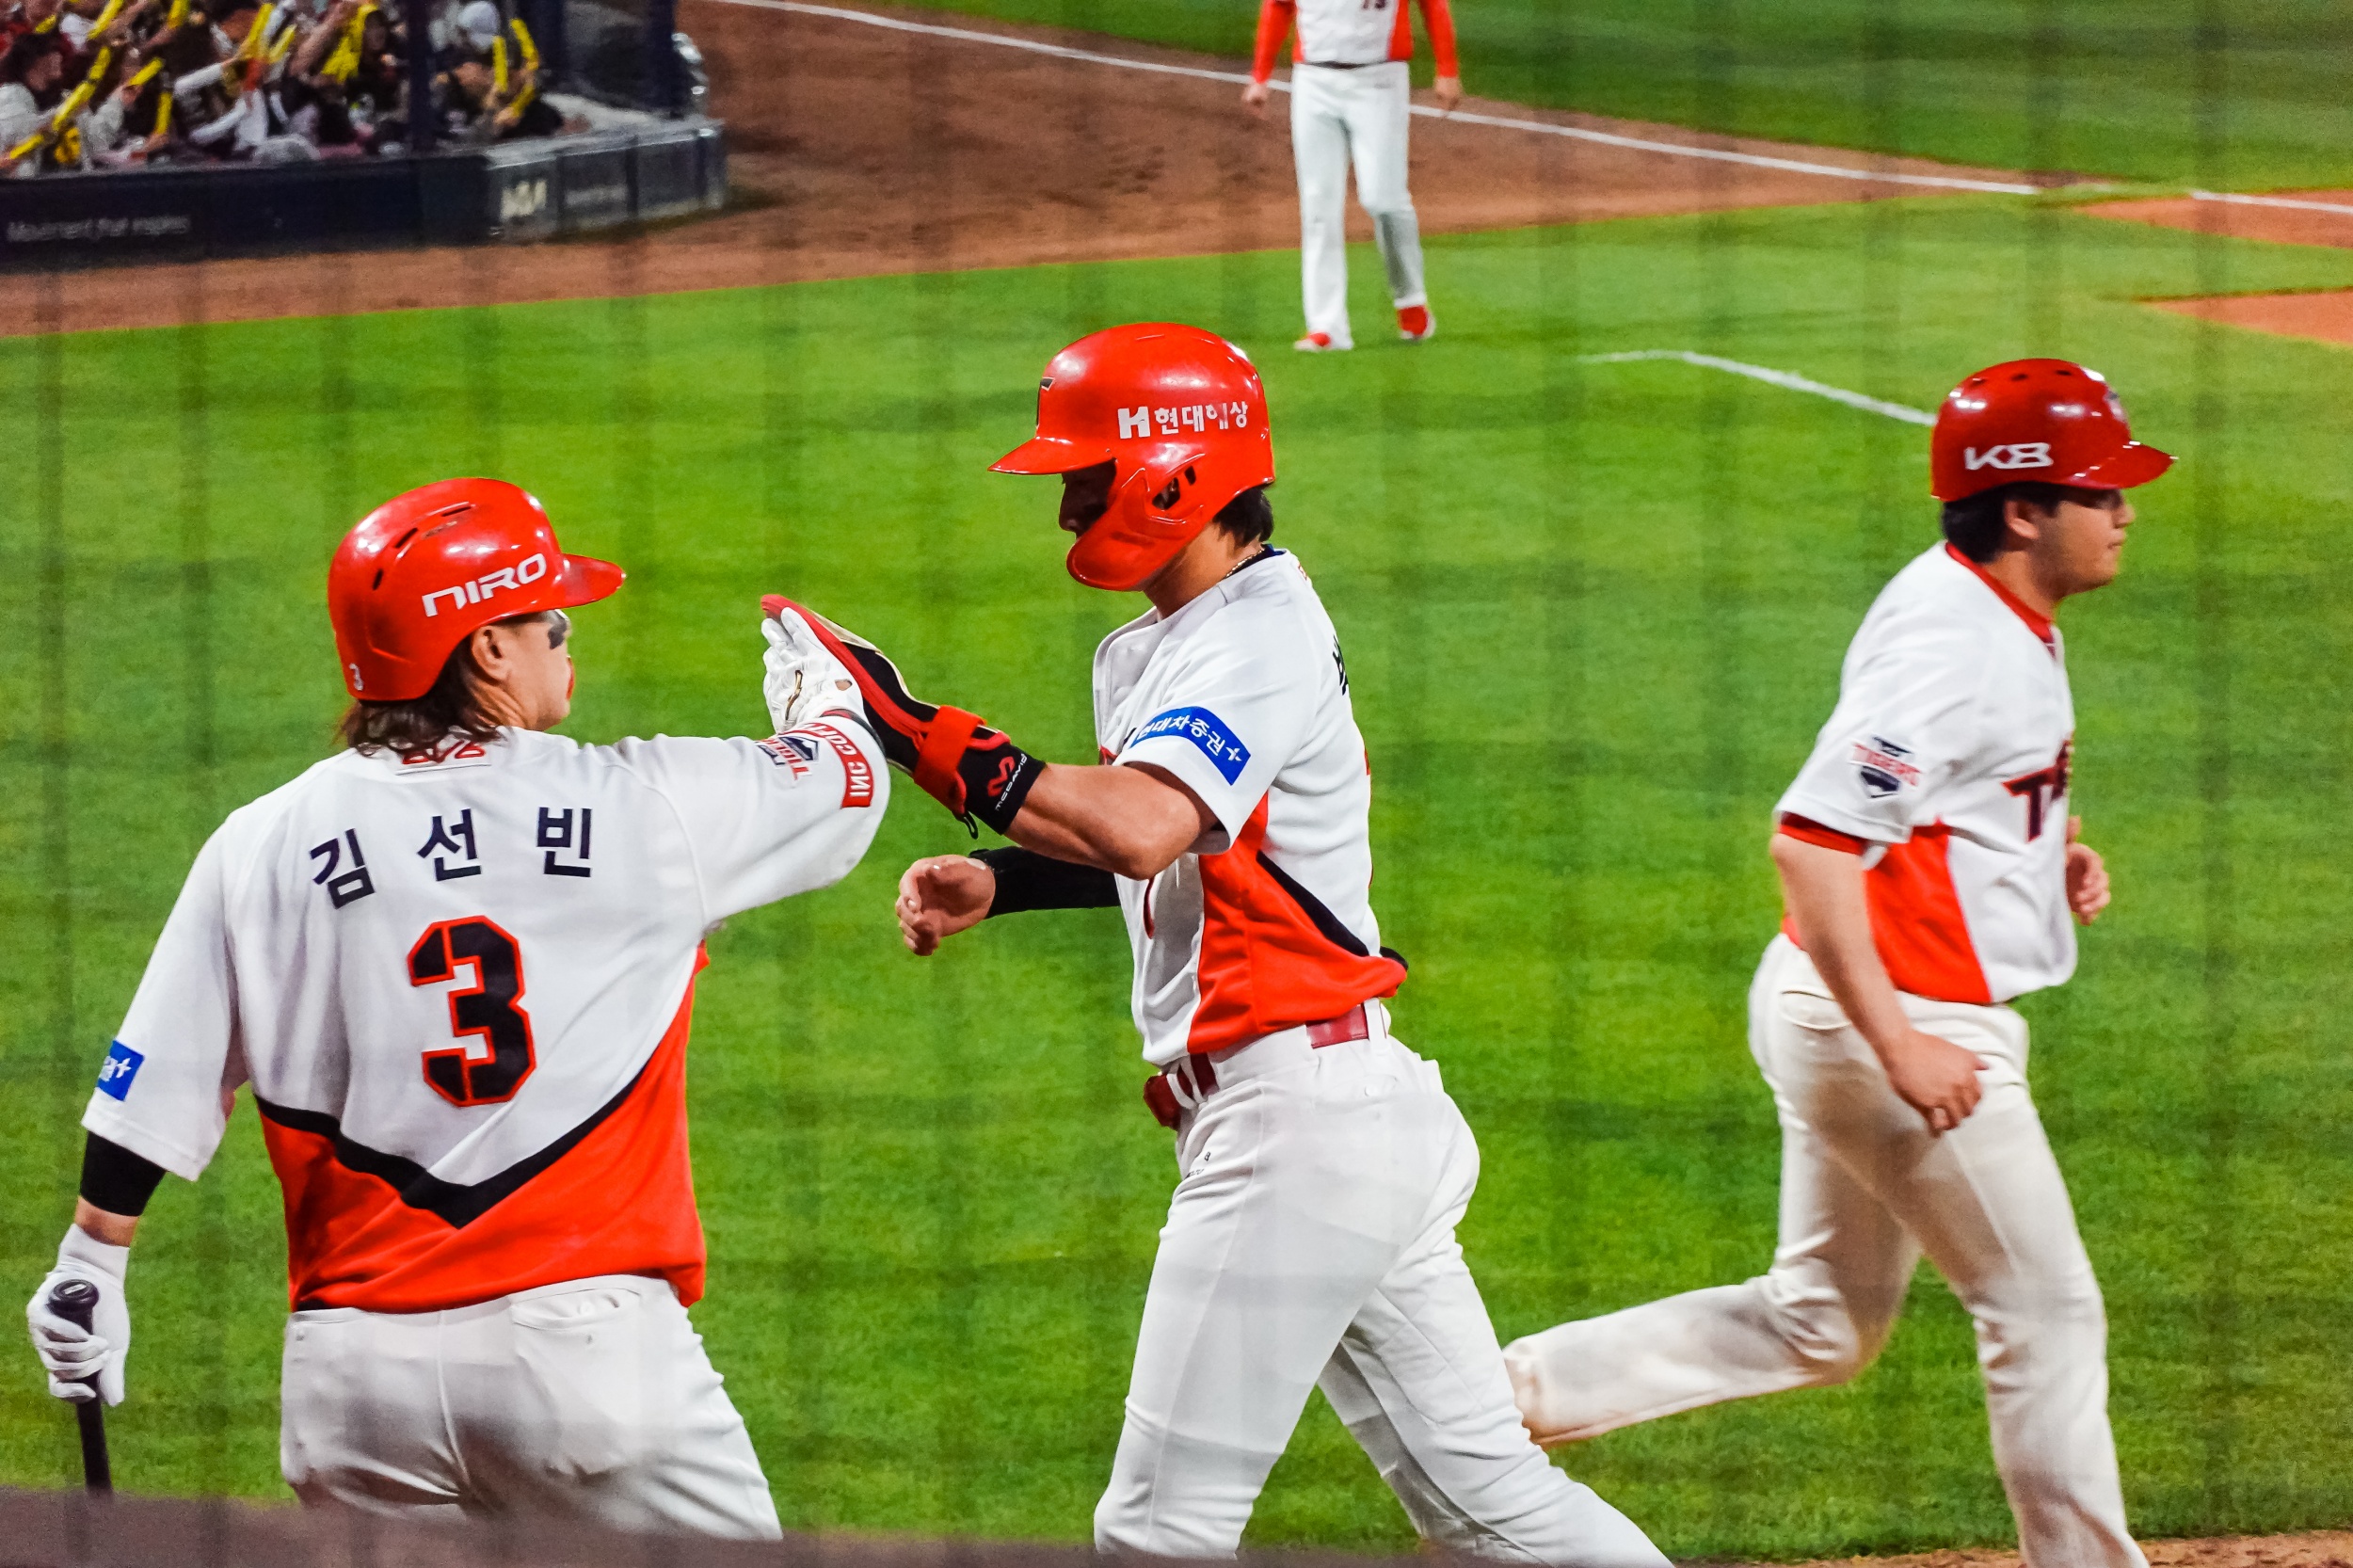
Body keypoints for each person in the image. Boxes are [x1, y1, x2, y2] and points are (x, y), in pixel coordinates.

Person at [775, 323, 1666, 1563]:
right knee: (1491, 1503)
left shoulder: (1253, 636)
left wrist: (905, 722)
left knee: (1158, 1532)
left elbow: (1146, 826)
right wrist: (1006, 879)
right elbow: (1203, 843)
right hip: (1340, 1112)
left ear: (1173, 476)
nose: (1065, 509)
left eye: (1086, 479)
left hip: (1297, 1130)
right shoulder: (1195, 630)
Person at [24, 478, 888, 1537]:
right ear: (486, 650)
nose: (566, 636)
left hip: (351, 1390)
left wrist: (92, 1261)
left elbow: (155, 1081)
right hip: (582, 1361)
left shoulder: (261, 842)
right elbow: (848, 781)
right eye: (549, 618)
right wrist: (829, 695)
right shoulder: (643, 805)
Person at [1503, 360, 2173, 1568]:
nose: (2124, 511)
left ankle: (1493, 1402)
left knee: (1820, 1323)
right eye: (2100, 491)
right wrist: (1899, 1043)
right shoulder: (1958, 644)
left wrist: (2045, 858)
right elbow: (1810, 843)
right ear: (2023, 508)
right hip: (1892, 1012)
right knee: (2045, 1310)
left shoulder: (1988, 606)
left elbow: (1944, 796)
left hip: (1853, 1003)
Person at [1241, 0, 1460, 353]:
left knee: (1384, 201)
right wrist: (1260, 75)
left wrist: (1446, 68)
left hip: (1379, 81)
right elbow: (1278, 6)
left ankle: (1410, 299)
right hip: (1313, 81)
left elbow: (1433, 5)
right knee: (1318, 205)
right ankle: (1326, 327)